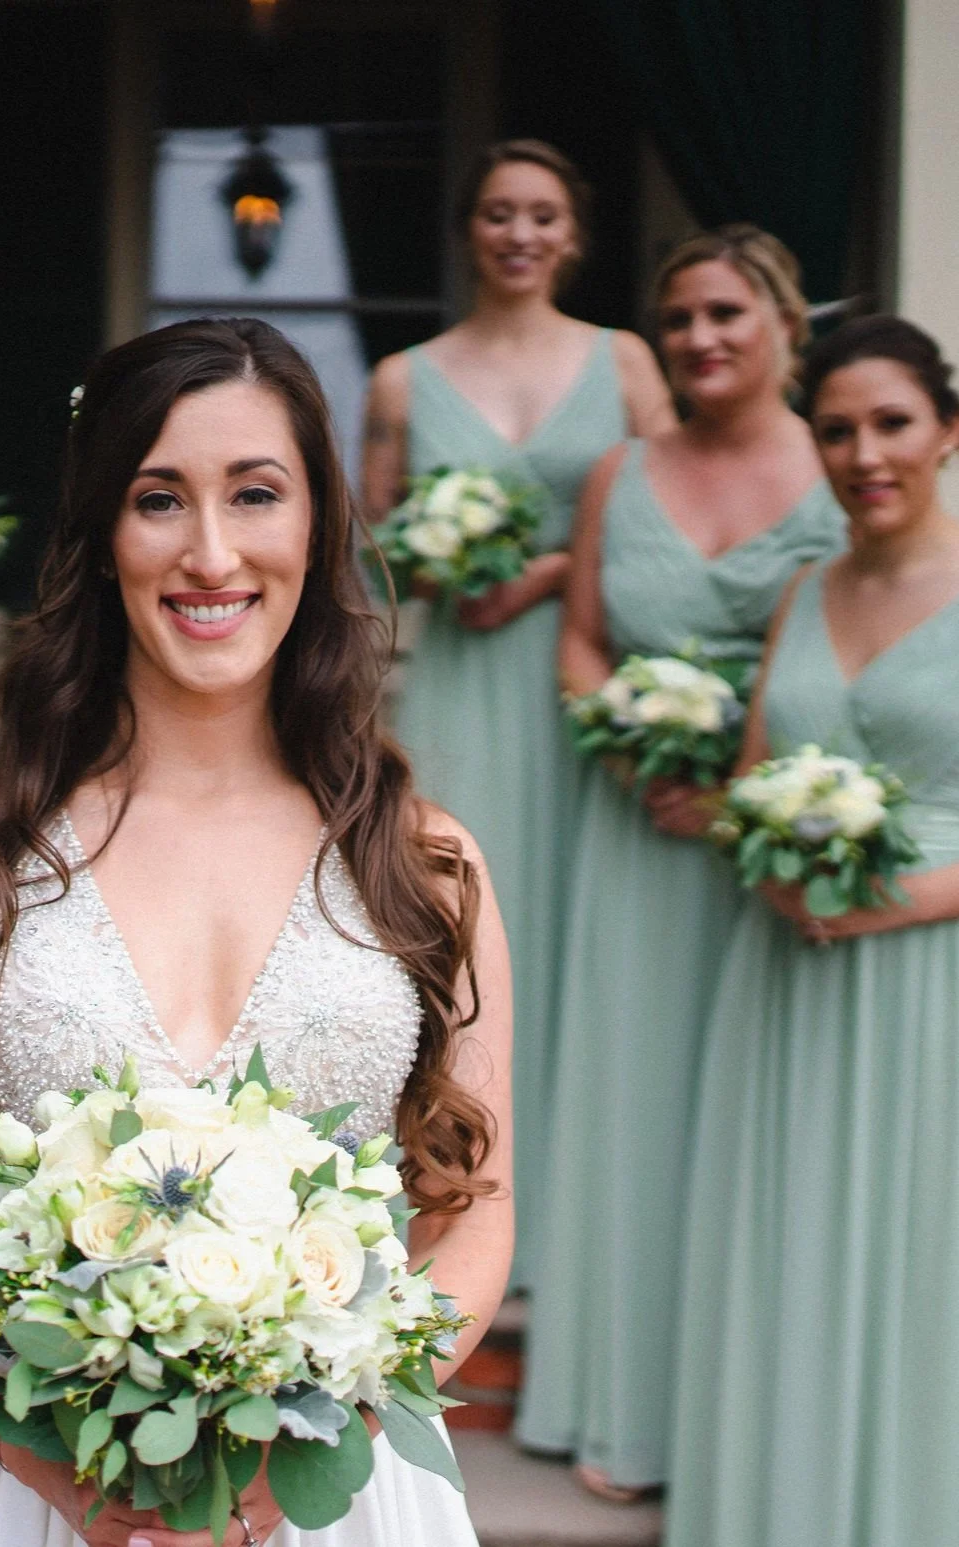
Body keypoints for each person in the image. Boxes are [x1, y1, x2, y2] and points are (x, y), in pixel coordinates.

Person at [0, 318, 516, 1546]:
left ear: (317, 525)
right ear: (103, 535)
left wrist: (323, 1437)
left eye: (256, 493)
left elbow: (474, 1216)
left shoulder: (425, 863)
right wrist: (61, 1475)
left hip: (331, 1495)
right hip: (20, 1491)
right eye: (160, 499)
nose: (211, 553)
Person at [663, 316, 959, 1546]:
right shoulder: (807, 592)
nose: (865, 453)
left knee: (944, 1268)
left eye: (893, 423)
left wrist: (899, 901)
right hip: (790, 976)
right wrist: (766, 863)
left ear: (951, 431)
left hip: (952, 979)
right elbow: (755, 782)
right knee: (796, 1257)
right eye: (837, 429)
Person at [516, 226, 846, 1500]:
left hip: (776, 838)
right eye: (678, 322)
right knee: (634, 1107)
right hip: (639, 836)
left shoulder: (844, 471)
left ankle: (749, 1415)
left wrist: (743, 792)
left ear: (783, 320)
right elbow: (584, 641)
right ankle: (626, 1405)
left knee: (758, 1120)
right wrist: (623, 740)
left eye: (725, 312)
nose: (700, 339)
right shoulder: (621, 472)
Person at [360, 139, 673, 1304]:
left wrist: (540, 573)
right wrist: (442, 556)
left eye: (543, 213)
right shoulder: (404, 377)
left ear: (576, 233)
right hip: (461, 681)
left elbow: (663, 503)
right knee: (452, 937)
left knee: (579, 944)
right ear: (468, 230)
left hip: (579, 677)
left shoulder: (628, 361)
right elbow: (371, 541)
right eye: (498, 212)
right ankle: (448, 1210)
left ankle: (571, 1228)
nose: (520, 233)